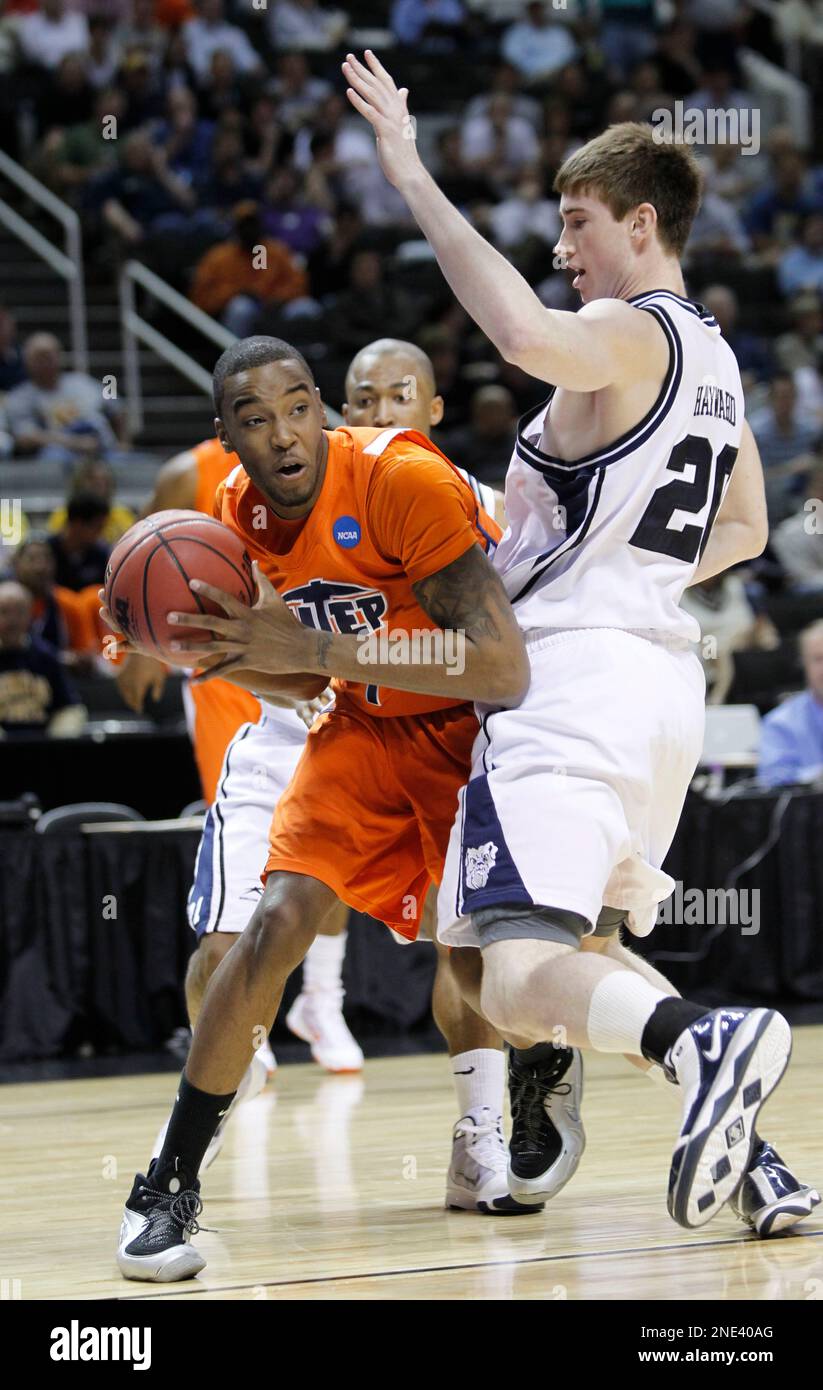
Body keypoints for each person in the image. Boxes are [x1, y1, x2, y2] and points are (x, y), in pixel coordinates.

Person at [341, 50, 799, 1234]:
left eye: (578, 221)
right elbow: (743, 523)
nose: (564, 245)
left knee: (507, 972)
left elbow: (522, 333)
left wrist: (411, 175)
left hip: (575, 680)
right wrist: (613, 561)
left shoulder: (629, 326)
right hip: (657, 680)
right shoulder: (716, 358)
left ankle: (706, 1041)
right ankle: (759, 1163)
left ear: (641, 224)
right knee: (580, 945)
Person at [110, 333, 533, 1280]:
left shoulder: (404, 481)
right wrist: (180, 642)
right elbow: (286, 670)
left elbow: (501, 668)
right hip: (360, 728)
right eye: (255, 421)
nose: (283, 435)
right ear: (229, 436)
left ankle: (503, 1119)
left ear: (323, 410)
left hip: (473, 728)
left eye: (298, 409)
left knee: (480, 958)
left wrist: (317, 651)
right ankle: (168, 1186)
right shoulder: (233, 510)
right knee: (276, 920)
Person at [114, 432, 360, 1078]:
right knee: (255, 849)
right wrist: (138, 650)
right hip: (230, 678)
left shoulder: (335, 467)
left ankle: (321, 1001)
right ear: (227, 423)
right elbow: (138, 571)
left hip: (321, 674)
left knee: (327, 854)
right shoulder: (185, 474)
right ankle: (246, 1018)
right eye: (250, 416)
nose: (271, 429)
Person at [0, 580, 86, 737]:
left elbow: (70, 707)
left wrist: (58, 738)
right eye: (4, 612)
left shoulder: (46, 655)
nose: (12, 620)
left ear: (30, 615)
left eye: (19, 612)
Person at [757, 621, 823, 786]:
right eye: (818, 659)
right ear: (804, 664)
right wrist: (817, 776)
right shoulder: (780, 723)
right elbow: (772, 781)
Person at [46, 492, 111, 592]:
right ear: (77, 523)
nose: (101, 533)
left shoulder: (101, 554)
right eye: (98, 527)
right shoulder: (47, 552)